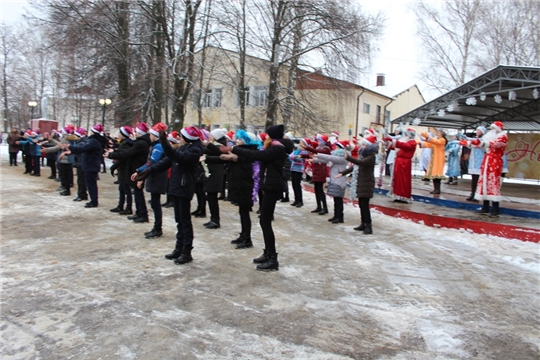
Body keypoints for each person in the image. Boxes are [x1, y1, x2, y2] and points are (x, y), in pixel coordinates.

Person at [220, 124, 294, 271]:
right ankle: (268, 253)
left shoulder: (277, 148)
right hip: (268, 185)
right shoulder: (274, 147)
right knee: (264, 221)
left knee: (265, 222)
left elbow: (257, 156)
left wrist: (233, 148)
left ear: (272, 136)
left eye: (267, 134)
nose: (265, 136)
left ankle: (272, 258)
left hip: (273, 187)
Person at [135, 126, 204, 265]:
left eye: (181, 136)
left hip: (184, 187)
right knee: (179, 220)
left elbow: (177, 157)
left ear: (187, 138)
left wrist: (165, 144)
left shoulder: (194, 150)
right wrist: (148, 171)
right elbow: (165, 162)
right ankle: (179, 248)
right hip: (176, 187)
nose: (178, 138)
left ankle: (187, 251)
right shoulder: (183, 148)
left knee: (185, 221)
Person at [460, 121, 508, 217]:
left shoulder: (503, 137)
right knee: (484, 183)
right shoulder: (489, 136)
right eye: (492, 128)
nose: (492, 130)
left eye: (494, 128)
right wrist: (468, 143)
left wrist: (479, 142)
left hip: (495, 161)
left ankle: (495, 209)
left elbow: (493, 144)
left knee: (493, 183)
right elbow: (480, 145)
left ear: (498, 129)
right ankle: (485, 207)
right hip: (486, 161)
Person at [223, 129, 260, 249]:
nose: (237, 142)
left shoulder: (249, 153)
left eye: (239, 140)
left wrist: (235, 158)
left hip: (245, 184)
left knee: (245, 213)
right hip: (239, 183)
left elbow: (246, 163)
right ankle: (243, 234)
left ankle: (247, 238)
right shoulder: (244, 152)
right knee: (242, 212)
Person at [107, 122, 151, 222]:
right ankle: (139, 213)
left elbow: (128, 153)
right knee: (136, 192)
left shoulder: (141, 143)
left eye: (136, 131)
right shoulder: (141, 142)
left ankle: (142, 214)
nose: (135, 133)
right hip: (136, 168)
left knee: (138, 193)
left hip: (137, 169)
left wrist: (111, 154)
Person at [133, 122, 169, 238]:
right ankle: (156, 227)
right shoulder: (158, 145)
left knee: (155, 204)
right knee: (155, 203)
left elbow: (152, 163)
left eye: (151, 134)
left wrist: (140, 174)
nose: (149, 136)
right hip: (156, 175)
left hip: (157, 176)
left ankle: (157, 228)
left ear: (155, 135)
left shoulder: (158, 146)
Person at [338, 141, 378, 235]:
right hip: (361, 183)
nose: (362, 147)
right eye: (362, 145)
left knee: (364, 205)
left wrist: (348, 157)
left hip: (367, 183)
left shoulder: (371, 157)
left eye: (364, 145)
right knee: (361, 204)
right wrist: (343, 173)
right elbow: (354, 167)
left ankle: (368, 226)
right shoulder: (363, 157)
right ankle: (363, 223)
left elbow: (360, 163)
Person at [64, 124, 108, 208]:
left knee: (91, 184)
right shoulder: (95, 141)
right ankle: (93, 200)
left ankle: (94, 201)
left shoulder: (94, 141)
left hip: (91, 165)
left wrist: (70, 147)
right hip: (91, 164)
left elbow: (82, 149)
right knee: (91, 183)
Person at [313, 142, 349, 223]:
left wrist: (318, 155)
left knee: (338, 200)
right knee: (336, 199)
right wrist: (315, 160)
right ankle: (336, 215)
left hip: (339, 182)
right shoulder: (336, 158)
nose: (335, 148)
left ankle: (339, 217)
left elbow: (330, 158)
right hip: (335, 180)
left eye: (336, 147)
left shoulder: (342, 158)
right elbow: (327, 160)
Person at [201, 128, 228, 229]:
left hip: (215, 173)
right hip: (210, 173)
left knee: (212, 197)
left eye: (212, 136)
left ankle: (215, 220)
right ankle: (213, 218)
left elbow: (218, 155)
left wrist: (206, 146)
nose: (209, 138)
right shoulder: (214, 146)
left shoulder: (219, 147)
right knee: (210, 197)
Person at [384, 127, 417, 203]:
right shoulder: (405, 141)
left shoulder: (412, 142)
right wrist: (387, 142)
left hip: (404, 163)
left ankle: (403, 195)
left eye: (406, 134)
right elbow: (395, 147)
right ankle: (398, 194)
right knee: (398, 179)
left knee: (403, 180)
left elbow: (403, 146)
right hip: (399, 162)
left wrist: (392, 140)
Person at [43, 125, 78, 195]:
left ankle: (65, 186)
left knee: (65, 174)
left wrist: (46, 150)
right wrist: (52, 140)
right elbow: (59, 144)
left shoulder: (66, 139)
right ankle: (68, 185)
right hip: (69, 158)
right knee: (68, 173)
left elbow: (57, 147)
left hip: (65, 158)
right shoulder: (71, 138)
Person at [301, 134, 331, 215]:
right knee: (317, 189)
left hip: (322, 170)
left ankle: (325, 207)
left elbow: (318, 153)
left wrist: (307, 147)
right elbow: (312, 154)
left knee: (320, 190)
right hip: (317, 170)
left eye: (319, 140)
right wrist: (301, 156)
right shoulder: (319, 148)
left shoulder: (326, 149)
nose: (318, 142)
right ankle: (319, 206)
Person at [109, 126, 134, 215]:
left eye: (120, 133)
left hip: (124, 168)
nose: (118, 135)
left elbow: (121, 158)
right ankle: (121, 205)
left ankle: (128, 207)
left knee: (125, 189)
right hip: (123, 168)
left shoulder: (125, 144)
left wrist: (114, 166)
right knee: (122, 188)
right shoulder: (125, 143)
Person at [420, 129, 448, 194]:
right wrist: (419, 142)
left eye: (439, 132)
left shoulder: (442, 140)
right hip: (434, 158)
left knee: (437, 173)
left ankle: (437, 189)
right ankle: (436, 189)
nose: (437, 133)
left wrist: (427, 137)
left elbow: (435, 142)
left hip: (439, 158)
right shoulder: (437, 139)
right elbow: (429, 144)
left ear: (442, 134)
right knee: (434, 173)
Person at [462, 126, 486, 201]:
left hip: (479, 161)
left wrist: (468, 139)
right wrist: (465, 143)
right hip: (473, 161)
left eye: (479, 130)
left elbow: (476, 142)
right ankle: (472, 193)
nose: (477, 131)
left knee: (478, 179)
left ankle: (477, 195)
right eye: (477, 130)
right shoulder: (476, 139)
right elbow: (471, 144)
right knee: (474, 179)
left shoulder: (483, 139)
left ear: (482, 132)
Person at [289, 138, 308, 207]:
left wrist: (293, 157)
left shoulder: (304, 151)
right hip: (293, 168)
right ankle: (296, 199)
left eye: (301, 143)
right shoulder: (297, 150)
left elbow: (300, 159)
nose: (300, 144)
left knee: (297, 185)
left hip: (299, 169)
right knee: (294, 184)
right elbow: (290, 156)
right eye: (300, 142)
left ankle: (300, 201)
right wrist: (293, 157)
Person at [73, 127, 89, 202]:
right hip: (81, 162)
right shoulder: (84, 141)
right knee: (82, 180)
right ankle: (83, 194)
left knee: (81, 180)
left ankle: (81, 195)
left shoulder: (81, 143)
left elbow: (77, 151)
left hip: (81, 163)